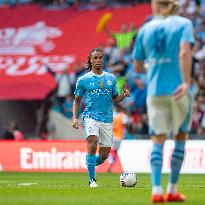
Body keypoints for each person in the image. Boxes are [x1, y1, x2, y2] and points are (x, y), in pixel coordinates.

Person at [133, 0, 195, 203]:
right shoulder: (183, 24)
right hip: (178, 90)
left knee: (157, 141)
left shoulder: (145, 28)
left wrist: (153, 68)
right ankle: (172, 190)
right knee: (180, 139)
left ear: (155, 6)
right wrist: (185, 82)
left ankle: (157, 191)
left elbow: (137, 66)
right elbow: (184, 52)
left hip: (155, 92)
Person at [72, 48, 130, 188]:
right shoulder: (83, 80)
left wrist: (123, 95)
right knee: (92, 143)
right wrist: (74, 117)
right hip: (91, 117)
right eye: (95, 58)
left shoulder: (111, 78)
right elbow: (77, 100)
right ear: (90, 60)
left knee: (104, 156)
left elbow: (115, 98)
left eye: (100, 58)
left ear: (103, 60)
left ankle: (89, 162)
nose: (98, 60)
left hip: (107, 119)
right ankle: (92, 180)